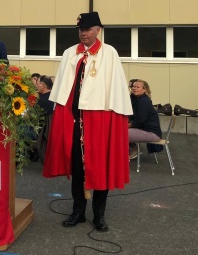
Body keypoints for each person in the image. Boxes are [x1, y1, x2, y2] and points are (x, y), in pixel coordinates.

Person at [43, 12, 132, 232]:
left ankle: (99, 215)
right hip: (74, 119)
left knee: (99, 166)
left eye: (88, 29)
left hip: (98, 118)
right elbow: (63, 88)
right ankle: (78, 212)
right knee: (77, 168)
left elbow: (116, 89)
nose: (83, 33)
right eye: (81, 30)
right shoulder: (69, 54)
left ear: (97, 30)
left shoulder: (109, 53)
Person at [128, 79, 161, 159]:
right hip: (144, 129)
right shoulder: (138, 99)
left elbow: (140, 121)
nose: (134, 88)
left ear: (144, 89)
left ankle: (127, 153)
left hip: (151, 133)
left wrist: (126, 125)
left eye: (137, 87)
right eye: (133, 86)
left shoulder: (144, 101)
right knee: (118, 131)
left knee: (120, 133)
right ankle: (132, 149)